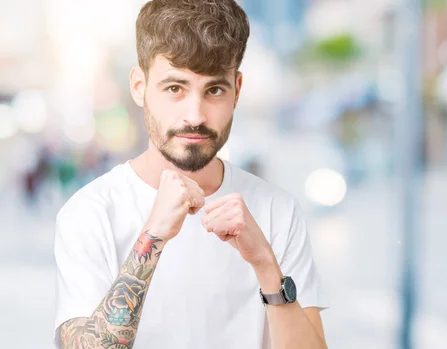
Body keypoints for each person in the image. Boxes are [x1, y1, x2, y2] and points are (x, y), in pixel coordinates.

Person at [53, 1, 329, 348]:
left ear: (237, 90)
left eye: (214, 90)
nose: (195, 114)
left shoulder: (277, 211)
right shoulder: (91, 212)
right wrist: (152, 236)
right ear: (139, 87)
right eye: (175, 88)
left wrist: (265, 264)